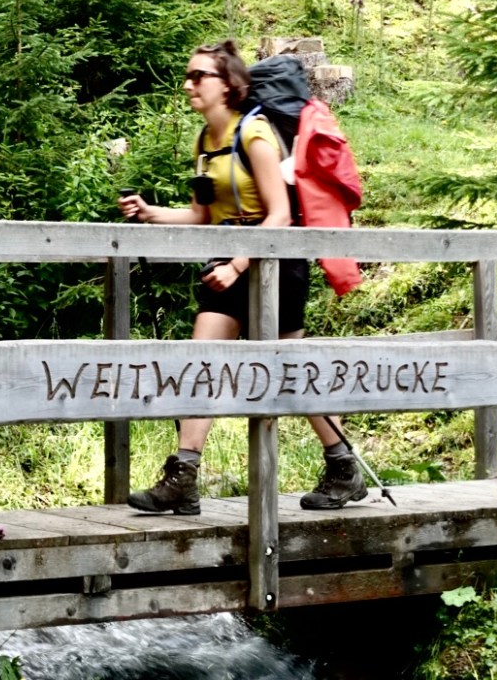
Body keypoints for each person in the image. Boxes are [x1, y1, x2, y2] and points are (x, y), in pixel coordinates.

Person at [115, 38, 365, 515]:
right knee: (201, 363)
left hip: (276, 264)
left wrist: (237, 264)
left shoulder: (255, 135)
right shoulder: (206, 141)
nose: (188, 84)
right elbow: (200, 216)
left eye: (198, 77)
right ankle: (183, 476)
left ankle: (343, 466)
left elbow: (278, 217)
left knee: (290, 369)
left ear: (227, 85)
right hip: (230, 262)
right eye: (187, 76)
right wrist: (149, 213)